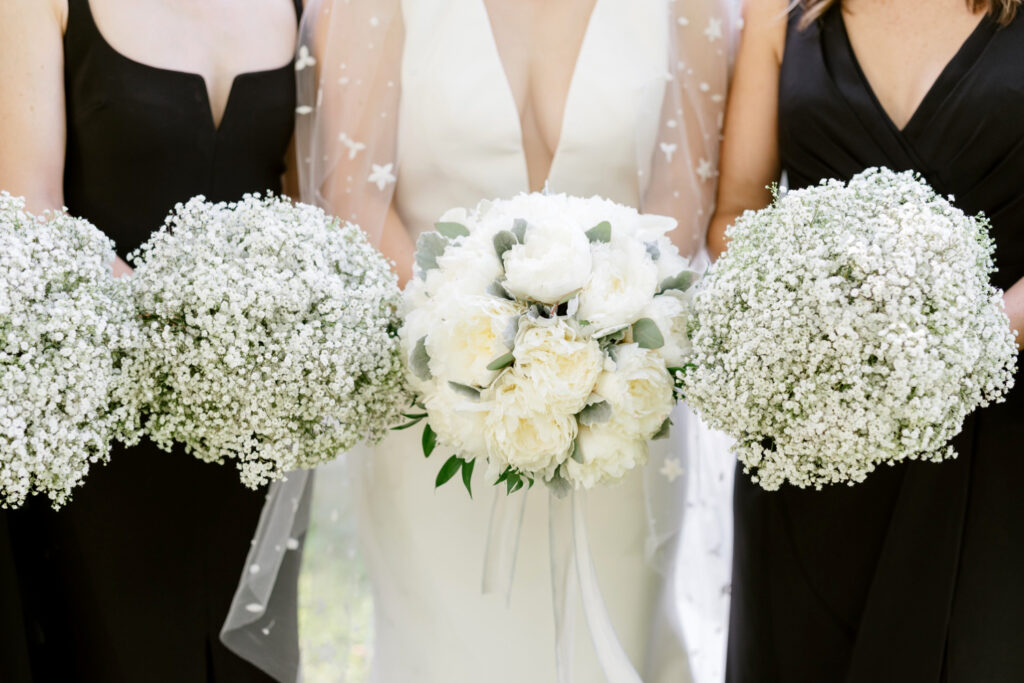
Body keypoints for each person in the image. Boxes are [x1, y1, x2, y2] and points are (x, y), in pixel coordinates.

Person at [221, 0, 737, 681]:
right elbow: (352, 195)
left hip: (617, 415)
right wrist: (482, 351)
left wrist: (591, 354)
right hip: (435, 411)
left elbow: (681, 210)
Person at [709, 0, 1024, 680]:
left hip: (1003, 440)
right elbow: (736, 212)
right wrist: (803, 311)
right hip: (816, 448)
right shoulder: (779, 15)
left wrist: (970, 329)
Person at [0, 1, 302, 680]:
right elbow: (29, 211)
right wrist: (186, 327)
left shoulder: (302, 6)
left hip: (254, 432)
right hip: (102, 428)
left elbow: (307, 198)